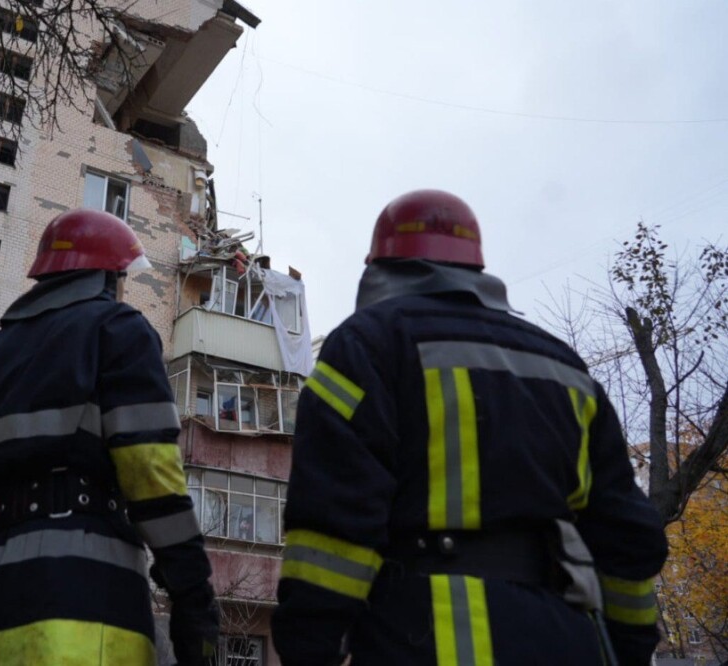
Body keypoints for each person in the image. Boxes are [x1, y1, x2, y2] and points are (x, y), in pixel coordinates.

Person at [272, 190, 669, 666]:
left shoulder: (366, 345)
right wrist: (629, 647)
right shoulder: (565, 368)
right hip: (567, 637)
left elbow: (334, 526)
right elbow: (626, 538)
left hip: (423, 637)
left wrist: (308, 648)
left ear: (380, 267)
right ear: (475, 268)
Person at [0, 208, 219, 665]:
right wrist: (192, 589)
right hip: (88, 606)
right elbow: (150, 469)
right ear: (107, 277)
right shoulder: (119, 329)